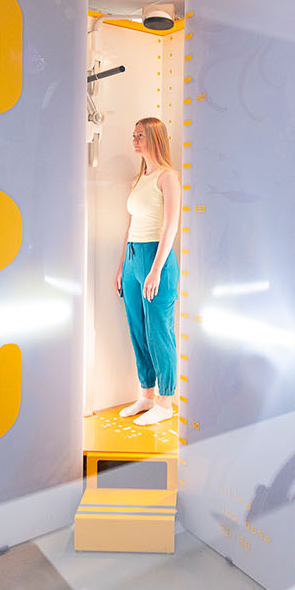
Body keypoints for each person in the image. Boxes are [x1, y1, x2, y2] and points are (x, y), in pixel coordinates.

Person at [115, 117, 182, 427]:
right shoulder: (139, 178)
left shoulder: (168, 177)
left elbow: (171, 225)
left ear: (155, 137)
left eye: (140, 135)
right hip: (132, 258)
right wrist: (122, 267)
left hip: (158, 260)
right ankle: (146, 394)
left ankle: (165, 402)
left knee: (159, 332)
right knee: (138, 330)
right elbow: (131, 226)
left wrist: (155, 270)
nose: (135, 140)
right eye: (134, 134)